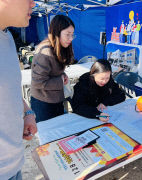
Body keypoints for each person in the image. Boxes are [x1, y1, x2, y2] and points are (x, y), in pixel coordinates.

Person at [0, 0, 37, 179]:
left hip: (14, 165)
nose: (34, 3)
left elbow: (9, 90)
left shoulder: (7, 37)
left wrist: (27, 112)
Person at [31, 15, 75, 123]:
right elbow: (37, 82)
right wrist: (60, 80)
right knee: (48, 134)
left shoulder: (59, 46)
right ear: (56, 32)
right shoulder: (45, 53)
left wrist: (63, 75)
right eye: (67, 35)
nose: (71, 39)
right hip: (43, 102)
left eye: (72, 35)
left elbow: (55, 70)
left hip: (56, 98)